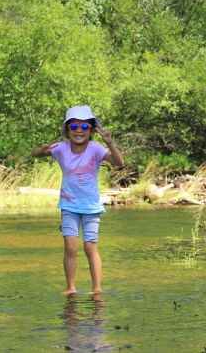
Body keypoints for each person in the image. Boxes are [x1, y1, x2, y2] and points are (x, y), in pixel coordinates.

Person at [32, 106, 124, 295]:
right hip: (68, 206)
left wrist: (110, 143)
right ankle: (71, 288)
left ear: (91, 130)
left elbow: (119, 163)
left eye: (84, 126)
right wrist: (41, 151)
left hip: (91, 207)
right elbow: (34, 154)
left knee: (90, 247)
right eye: (73, 126)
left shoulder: (97, 149)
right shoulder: (60, 148)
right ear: (67, 130)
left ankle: (97, 289)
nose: (79, 130)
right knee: (70, 247)